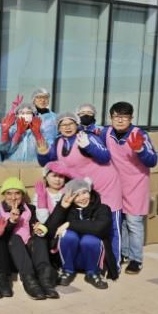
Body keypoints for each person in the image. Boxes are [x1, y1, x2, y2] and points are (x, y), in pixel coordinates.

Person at [37, 112, 122, 278]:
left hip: (106, 185)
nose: (67, 127)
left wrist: (89, 146)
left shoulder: (86, 136)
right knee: (88, 224)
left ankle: (114, 265)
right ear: (58, 128)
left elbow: (105, 156)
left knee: (112, 226)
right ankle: (90, 261)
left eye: (71, 123)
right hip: (84, 190)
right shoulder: (59, 142)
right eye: (63, 124)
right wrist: (42, 149)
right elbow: (48, 163)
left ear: (77, 124)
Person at [99, 102, 157, 274]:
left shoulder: (139, 134)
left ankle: (136, 259)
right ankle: (123, 253)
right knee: (120, 221)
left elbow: (152, 160)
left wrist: (140, 150)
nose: (120, 120)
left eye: (124, 117)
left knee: (133, 222)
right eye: (116, 116)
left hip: (136, 184)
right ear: (111, 117)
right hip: (115, 185)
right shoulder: (106, 132)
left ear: (131, 118)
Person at [0, 177, 59, 300]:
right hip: (12, 254)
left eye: (17, 193)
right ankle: (29, 280)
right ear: (4, 195)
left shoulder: (29, 208)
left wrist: (39, 229)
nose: (13, 197)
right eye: (9, 193)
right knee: (15, 238)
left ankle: (45, 279)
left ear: (22, 195)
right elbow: (0, 236)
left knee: (40, 239)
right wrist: (12, 221)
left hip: (29, 251)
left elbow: (35, 225)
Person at [46, 179, 113, 289]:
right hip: (70, 258)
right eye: (76, 195)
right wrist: (62, 207)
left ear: (90, 192)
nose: (82, 198)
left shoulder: (102, 208)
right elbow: (50, 230)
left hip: (93, 257)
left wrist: (69, 224)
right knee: (68, 236)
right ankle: (67, 271)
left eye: (84, 192)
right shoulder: (67, 209)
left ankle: (92, 273)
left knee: (89, 239)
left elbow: (99, 228)